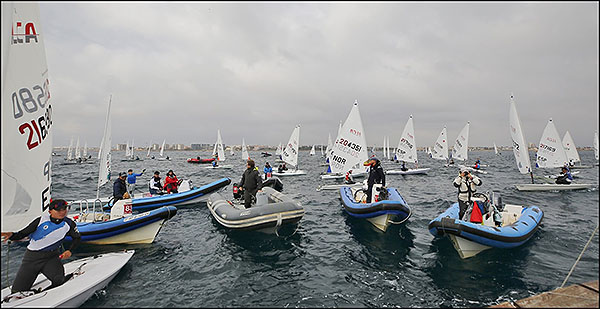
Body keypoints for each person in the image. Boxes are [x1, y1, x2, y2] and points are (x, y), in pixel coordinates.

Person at [1, 199, 81, 293]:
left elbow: (77, 238)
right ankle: (34, 293)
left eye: (64, 209)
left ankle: (47, 295)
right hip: (32, 259)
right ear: (50, 211)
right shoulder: (40, 221)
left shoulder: (69, 224)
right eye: (59, 210)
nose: (62, 212)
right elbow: (22, 234)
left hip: (51, 258)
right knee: (17, 291)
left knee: (59, 280)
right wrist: (11, 235)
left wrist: (69, 250)